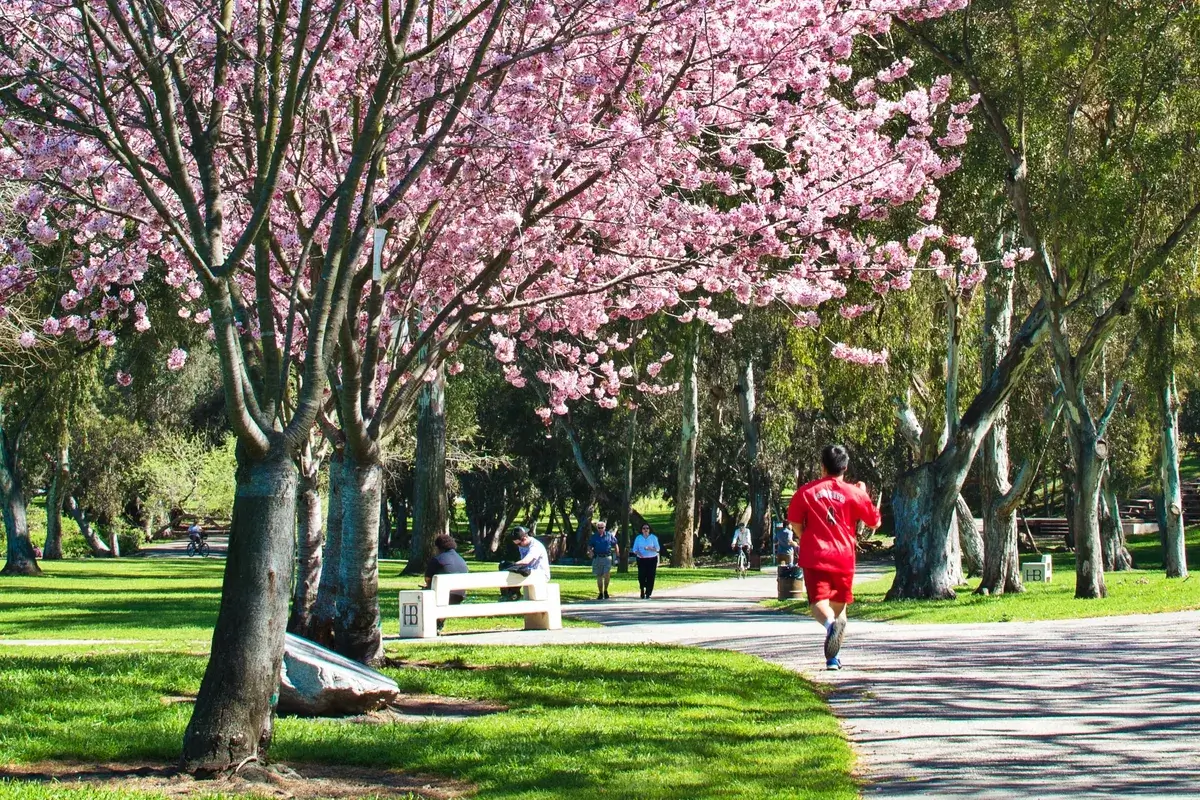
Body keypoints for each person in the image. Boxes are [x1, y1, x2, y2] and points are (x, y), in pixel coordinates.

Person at [787, 444, 880, 671]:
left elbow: (796, 523)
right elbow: (875, 522)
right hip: (843, 557)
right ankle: (832, 659)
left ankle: (829, 627)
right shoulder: (854, 493)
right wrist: (864, 494)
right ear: (845, 467)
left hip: (815, 555)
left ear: (822, 466)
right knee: (840, 610)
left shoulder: (806, 492)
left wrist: (805, 538)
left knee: (818, 602)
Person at [422, 533, 470, 632]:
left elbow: (427, 579)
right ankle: (439, 622)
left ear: (439, 547)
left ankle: (434, 623)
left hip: (444, 595)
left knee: (426, 594)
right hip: (459, 595)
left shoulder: (437, 559)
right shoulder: (461, 560)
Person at [587, 520, 619, 600]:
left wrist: (617, 555)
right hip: (597, 557)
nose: (600, 529)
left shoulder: (609, 535)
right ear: (597, 528)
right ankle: (600, 593)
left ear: (604, 528)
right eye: (599, 528)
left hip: (607, 557)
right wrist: (590, 552)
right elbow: (589, 546)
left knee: (607, 574)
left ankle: (606, 590)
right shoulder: (594, 537)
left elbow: (615, 544)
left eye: (602, 527)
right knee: (599, 576)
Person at [631, 523, 661, 599]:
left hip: (652, 559)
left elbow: (657, 549)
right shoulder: (638, 538)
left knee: (650, 575)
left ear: (649, 530)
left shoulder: (653, 538)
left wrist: (650, 548)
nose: (645, 530)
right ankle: (642, 589)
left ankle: (648, 592)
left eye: (647, 528)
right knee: (641, 576)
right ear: (641, 530)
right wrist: (639, 554)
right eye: (644, 528)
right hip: (641, 559)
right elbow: (634, 549)